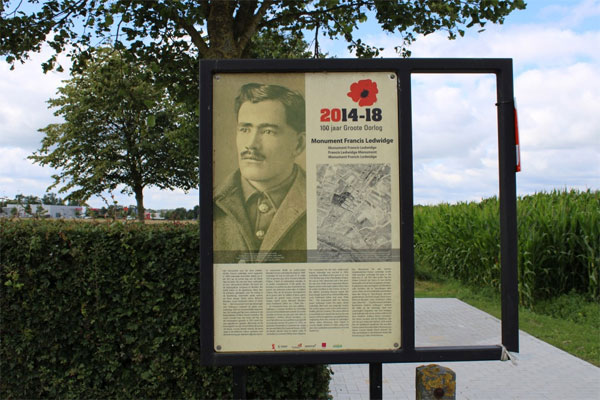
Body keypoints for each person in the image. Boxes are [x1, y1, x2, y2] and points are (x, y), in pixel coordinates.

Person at [213, 83, 306, 263]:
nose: (251, 144)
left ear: (299, 144)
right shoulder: (213, 203)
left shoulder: (322, 202)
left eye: (268, 131)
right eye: (245, 129)